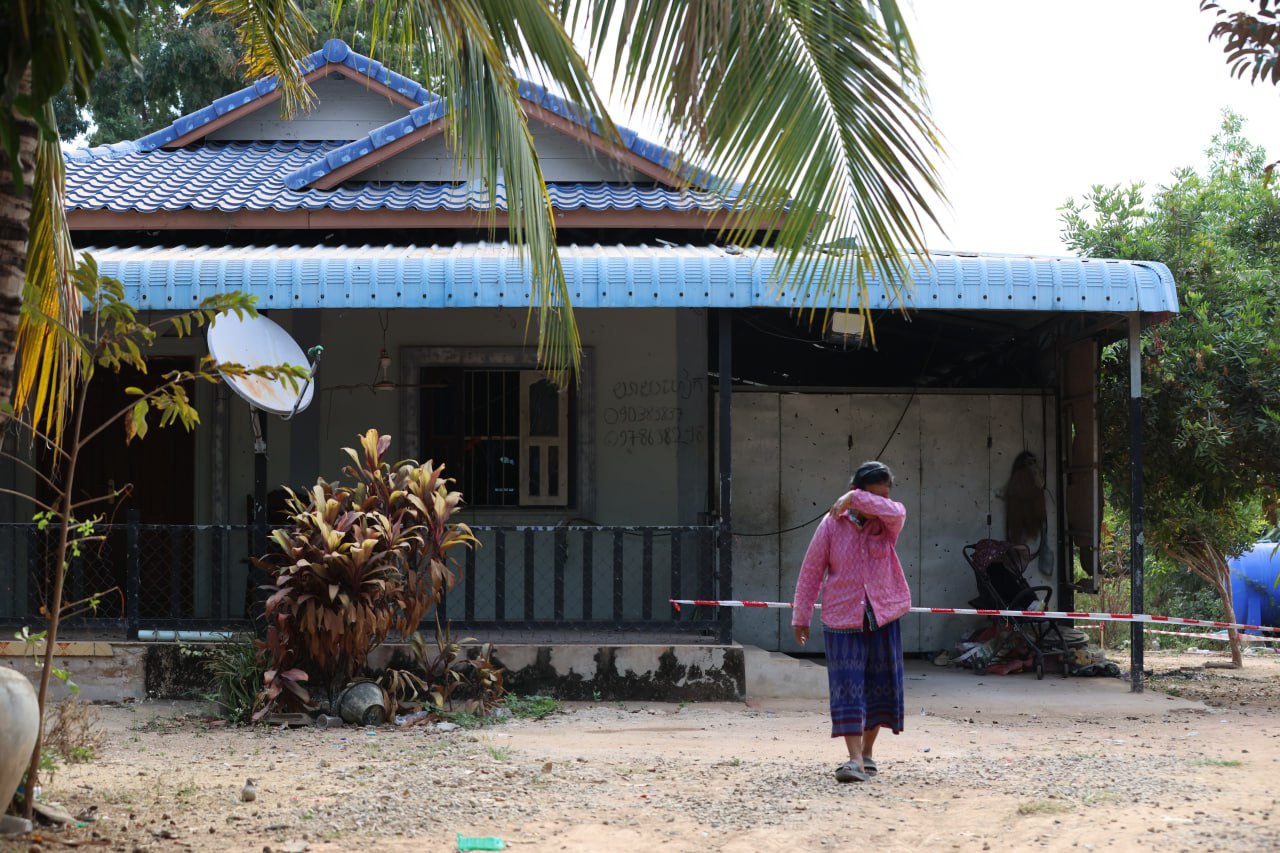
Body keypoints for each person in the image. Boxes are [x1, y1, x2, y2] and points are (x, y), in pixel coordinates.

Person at [791, 460, 910, 783]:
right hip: (842, 618)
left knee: (879, 687)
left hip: (884, 616)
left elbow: (897, 510)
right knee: (848, 688)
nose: (880, 503)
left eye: (884, 496)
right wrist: (801, 616)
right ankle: (854, 759)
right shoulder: (831, 524)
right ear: (856, 490)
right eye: (873, 496)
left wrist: (855, 498)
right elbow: (811, 572)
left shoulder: (888, 523)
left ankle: (868, 754)